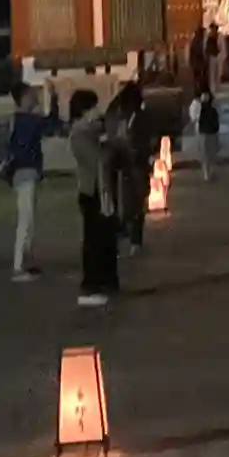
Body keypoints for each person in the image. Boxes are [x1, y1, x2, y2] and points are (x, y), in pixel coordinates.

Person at [69, 88, 118, 307]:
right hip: (91, 190)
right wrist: (105, 144)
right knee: (93, 238)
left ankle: (105, 280)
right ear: (84, 110)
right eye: (93, 107)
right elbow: (97, 159)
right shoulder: (80, 133)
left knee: (104, 236)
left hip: (101, 188)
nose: (97, 111)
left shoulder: (92, 130)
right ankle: (90, 285)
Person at [3, 87, 47, 280]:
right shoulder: (26, 121)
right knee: (26, 220)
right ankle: (18, 266)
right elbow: (49, 125)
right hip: (25, 172)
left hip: (24, 173)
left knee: (29, 220)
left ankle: (24, 263)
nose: (34, 97)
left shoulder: (21, 120)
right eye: (31, 95)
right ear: (23, 99)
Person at [107, 80, 152, 255]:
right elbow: (148, 141)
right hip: (136, 164)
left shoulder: (115, 114)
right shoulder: (141, 116)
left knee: (120, 201)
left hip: (118, 164)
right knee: (137, 202)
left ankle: (120, 235)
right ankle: (135, 240)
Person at [191, 84, 220, 180]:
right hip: (206, 131)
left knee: (208, 153)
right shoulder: (199, 105)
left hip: (207, 130)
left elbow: (194, 118)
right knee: (207, 153)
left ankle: (208, 172)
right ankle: (207, 173)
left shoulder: (199, 105)